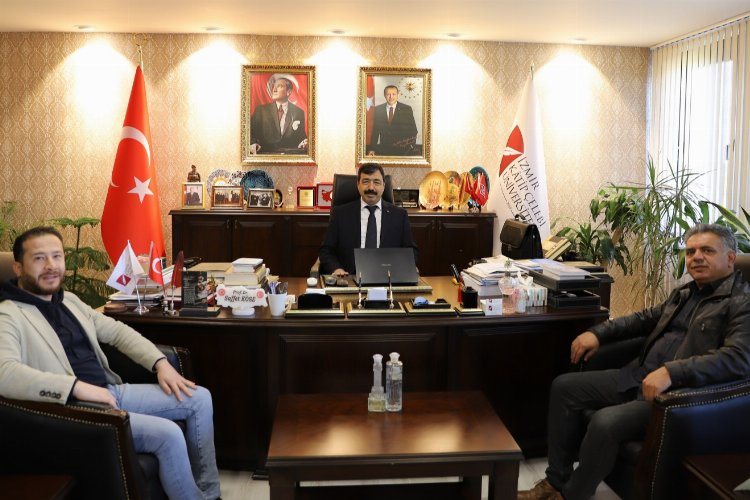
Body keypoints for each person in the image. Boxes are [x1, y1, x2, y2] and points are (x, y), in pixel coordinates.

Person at [518, 223, 750, 500]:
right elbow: (643, 319)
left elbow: (738, 358)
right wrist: (598, 333)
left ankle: (571, 495)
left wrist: (672, 373)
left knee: (605, 422)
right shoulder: (685, 292)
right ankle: (555, 481)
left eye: (707, 251)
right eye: (690, 252)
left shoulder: (741, 302)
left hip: (674, 397)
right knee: (564, 387)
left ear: (730, 258)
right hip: (639, 376)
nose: (696, 257)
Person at [0, 227, 221, 500]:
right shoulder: (8, 314)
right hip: (74, 409)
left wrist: (160, 363)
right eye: (39, 258)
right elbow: (5, 374)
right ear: (18, 268)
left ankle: (210, 494)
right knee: (169, 434)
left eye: (56, 256)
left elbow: (117, 332)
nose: (50, 266)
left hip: (110, 391)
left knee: (199, 399)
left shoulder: (69, 300)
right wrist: (76, 388)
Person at [319, 163, 418, 276]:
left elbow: (411, 251)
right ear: (358, 185)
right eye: (366, 182)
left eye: (376, 182)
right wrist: (336, 269)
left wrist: (405, 266)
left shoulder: (399, 215)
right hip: (349, 277)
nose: (371, 187)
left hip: (387, 277)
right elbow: (326, 250)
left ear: (383, 186)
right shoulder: (340, 214)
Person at [250, 76, 308, 154]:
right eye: (274, 86)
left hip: (290, 156)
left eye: (279, 86)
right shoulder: (261, 110)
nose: (274, 89)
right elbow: (250, 131)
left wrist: (304, 142)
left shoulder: (298, 112)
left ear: (288, 92)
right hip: (265, 154)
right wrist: (252, 143)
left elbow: (301, 137)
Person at [367, 85, 419, 156]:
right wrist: (372, 149)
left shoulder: (406, 109)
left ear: (398, 95)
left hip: (403, 151)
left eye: (394, 94)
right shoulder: (378, 109)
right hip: (383, 150)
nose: (391, 97)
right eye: (388, 94)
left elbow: (413, 130)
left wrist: (410, 147)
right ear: (384, 95)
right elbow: (375, 131)